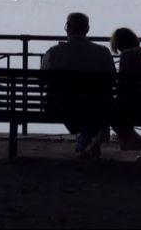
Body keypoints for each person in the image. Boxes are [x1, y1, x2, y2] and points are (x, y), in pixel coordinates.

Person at [41, 12, 116, 158]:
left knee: (77, 109)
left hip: (59, 107)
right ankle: (86, 143)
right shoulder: (103, 52)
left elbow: (42, 82)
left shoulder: (54, 52)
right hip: (95, 107)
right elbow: (111, 81)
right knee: (98, 107)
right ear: (87, 29)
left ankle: (84, 143)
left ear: (67, 27)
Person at [111, 26, 141, 162]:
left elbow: (123, 85)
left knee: (108, 113)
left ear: (118, 44)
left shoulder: (126, 56)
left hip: (134, 107)